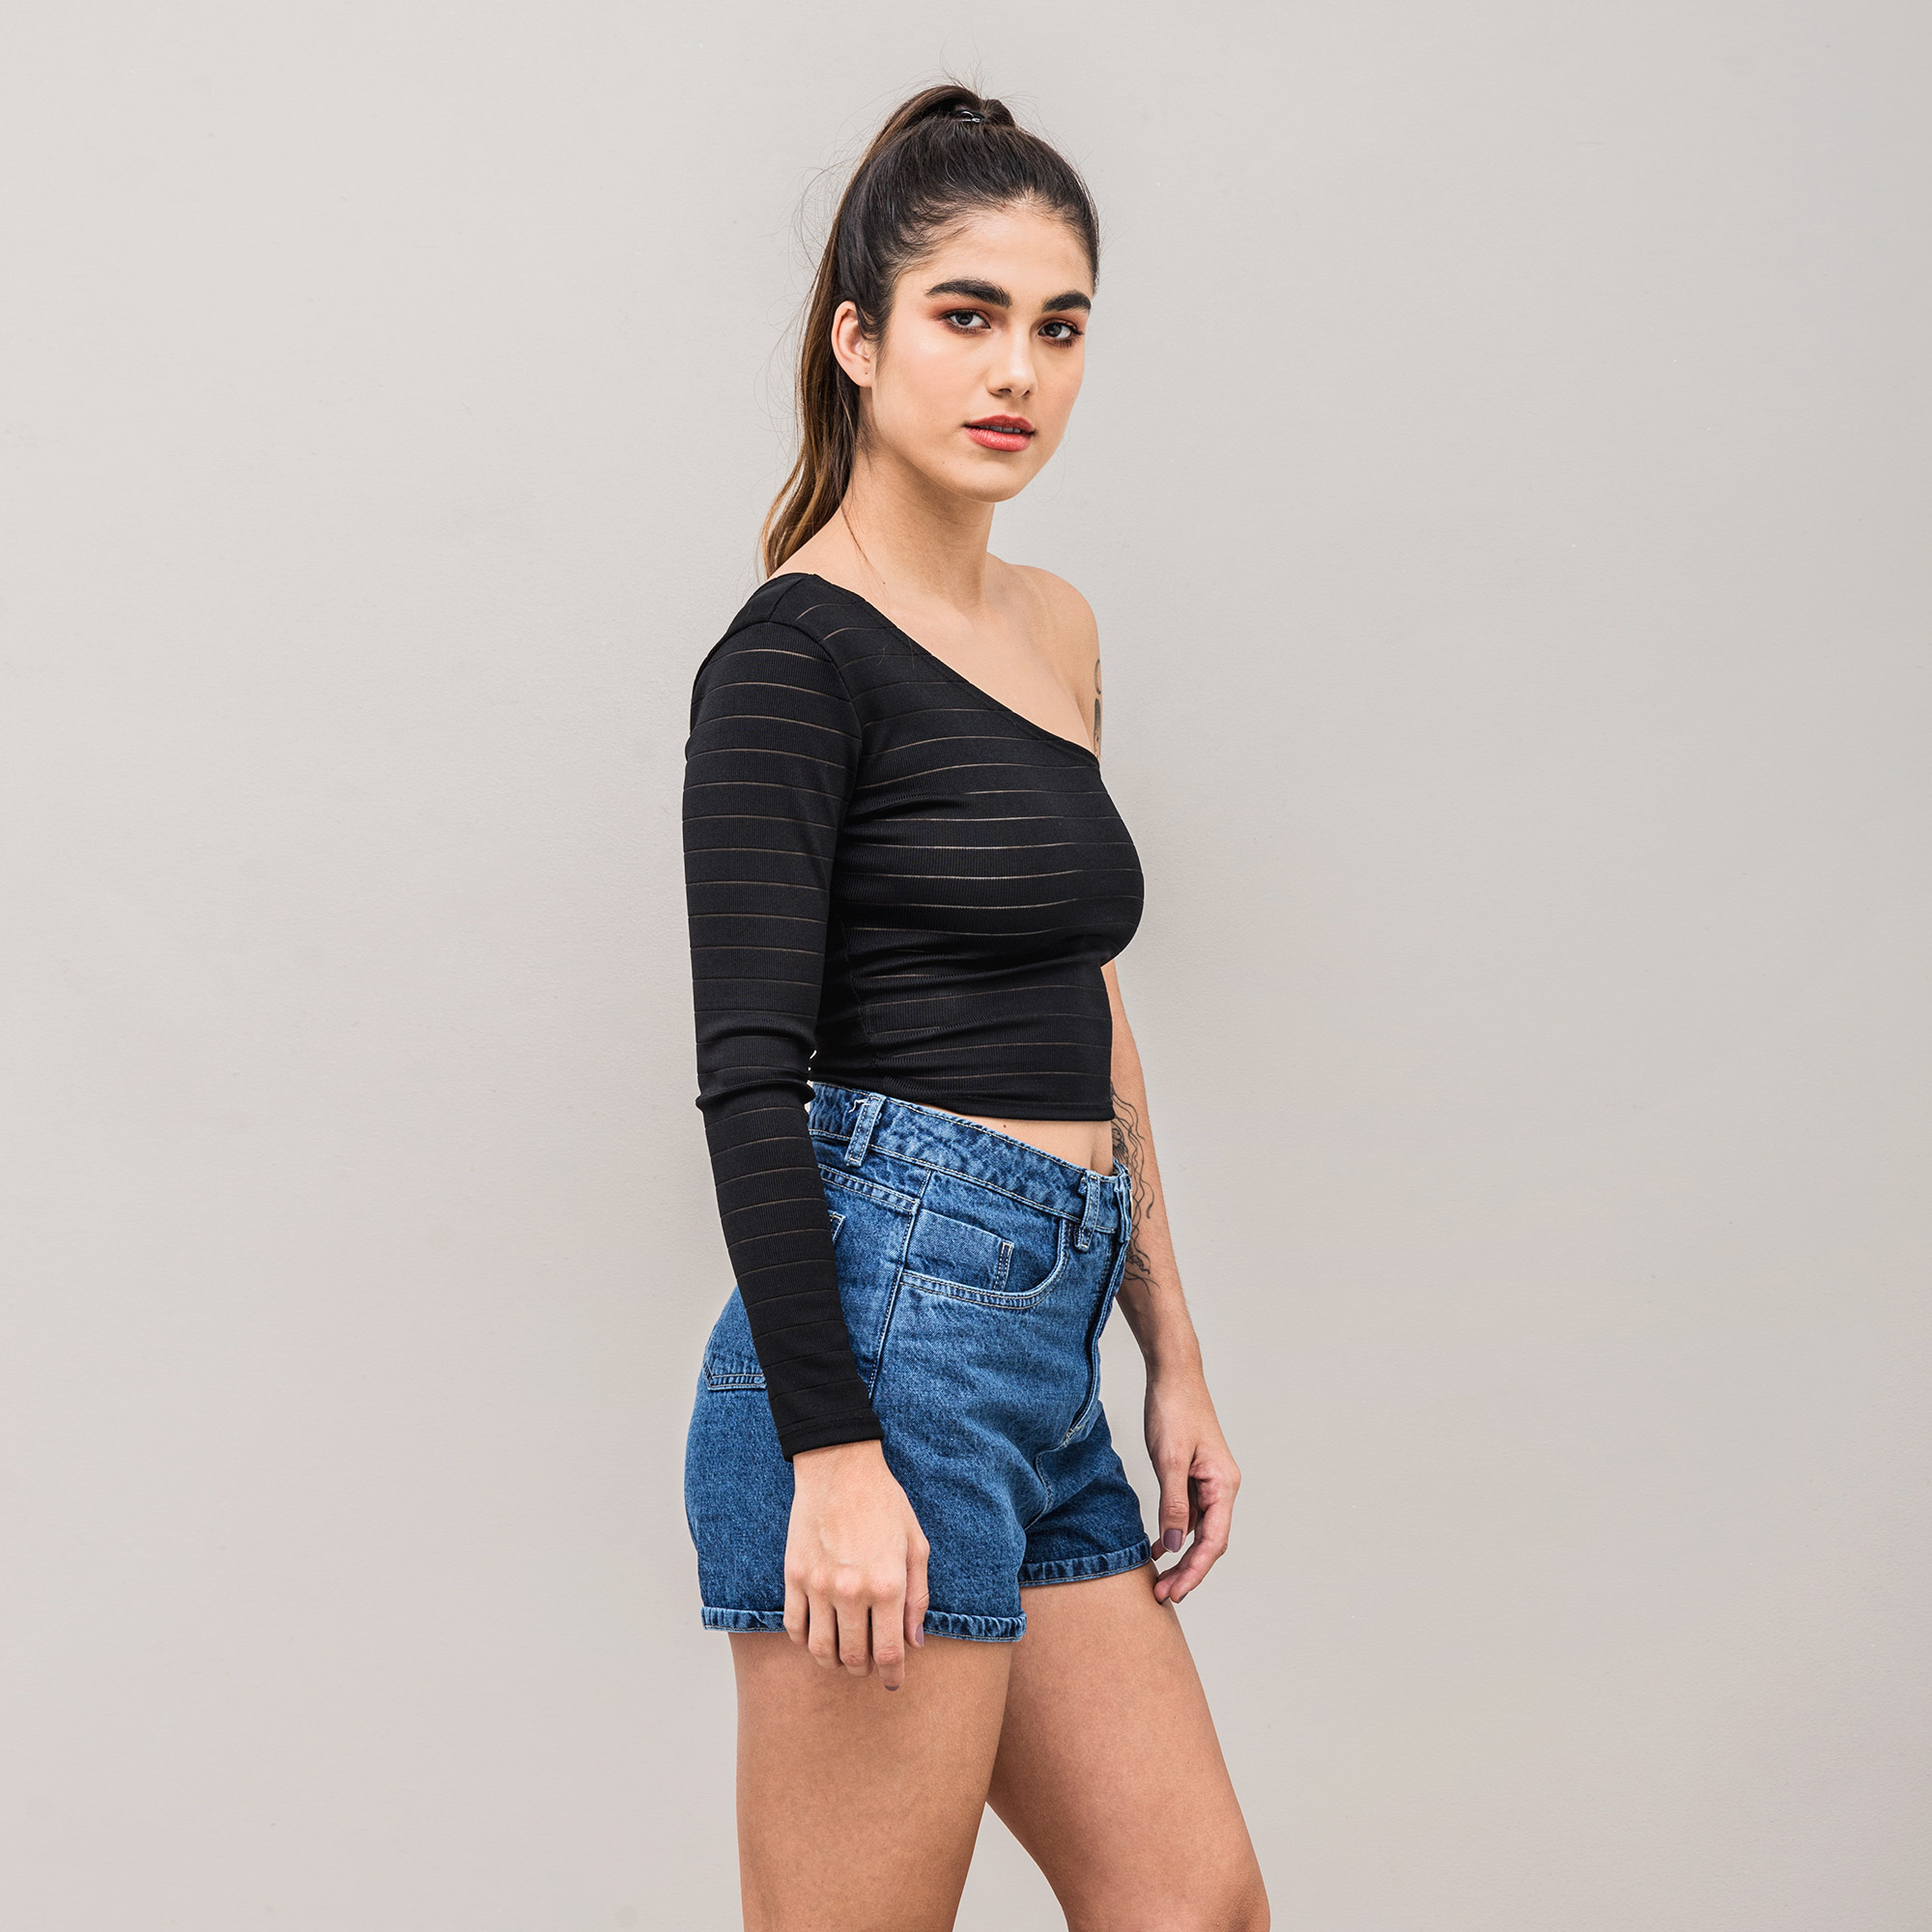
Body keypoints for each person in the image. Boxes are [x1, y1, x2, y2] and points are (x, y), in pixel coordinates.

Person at [681, 80, 1267, 1932]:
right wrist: (833, 1454)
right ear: (857, 341)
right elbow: (748, 1082)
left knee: (1194, 1906)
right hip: (888, 1343)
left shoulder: (1056, 628)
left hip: (1047, 1339)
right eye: (967, 315)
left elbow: (1083, 995)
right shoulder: (792, 659)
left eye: (1059, 326)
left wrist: (1171, 1348)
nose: (1018, 370)